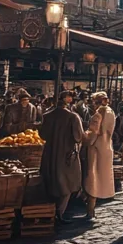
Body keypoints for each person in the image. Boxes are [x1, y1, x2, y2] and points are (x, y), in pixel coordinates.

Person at [39, 90, 84, 222]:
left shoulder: (47, 116)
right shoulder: (73, 117)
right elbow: (78, 137)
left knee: (51, 182)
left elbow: (42, 135)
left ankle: (52, 211)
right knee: (67, 185)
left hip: (49, 154)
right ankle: (59, 212)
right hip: (66, 155)